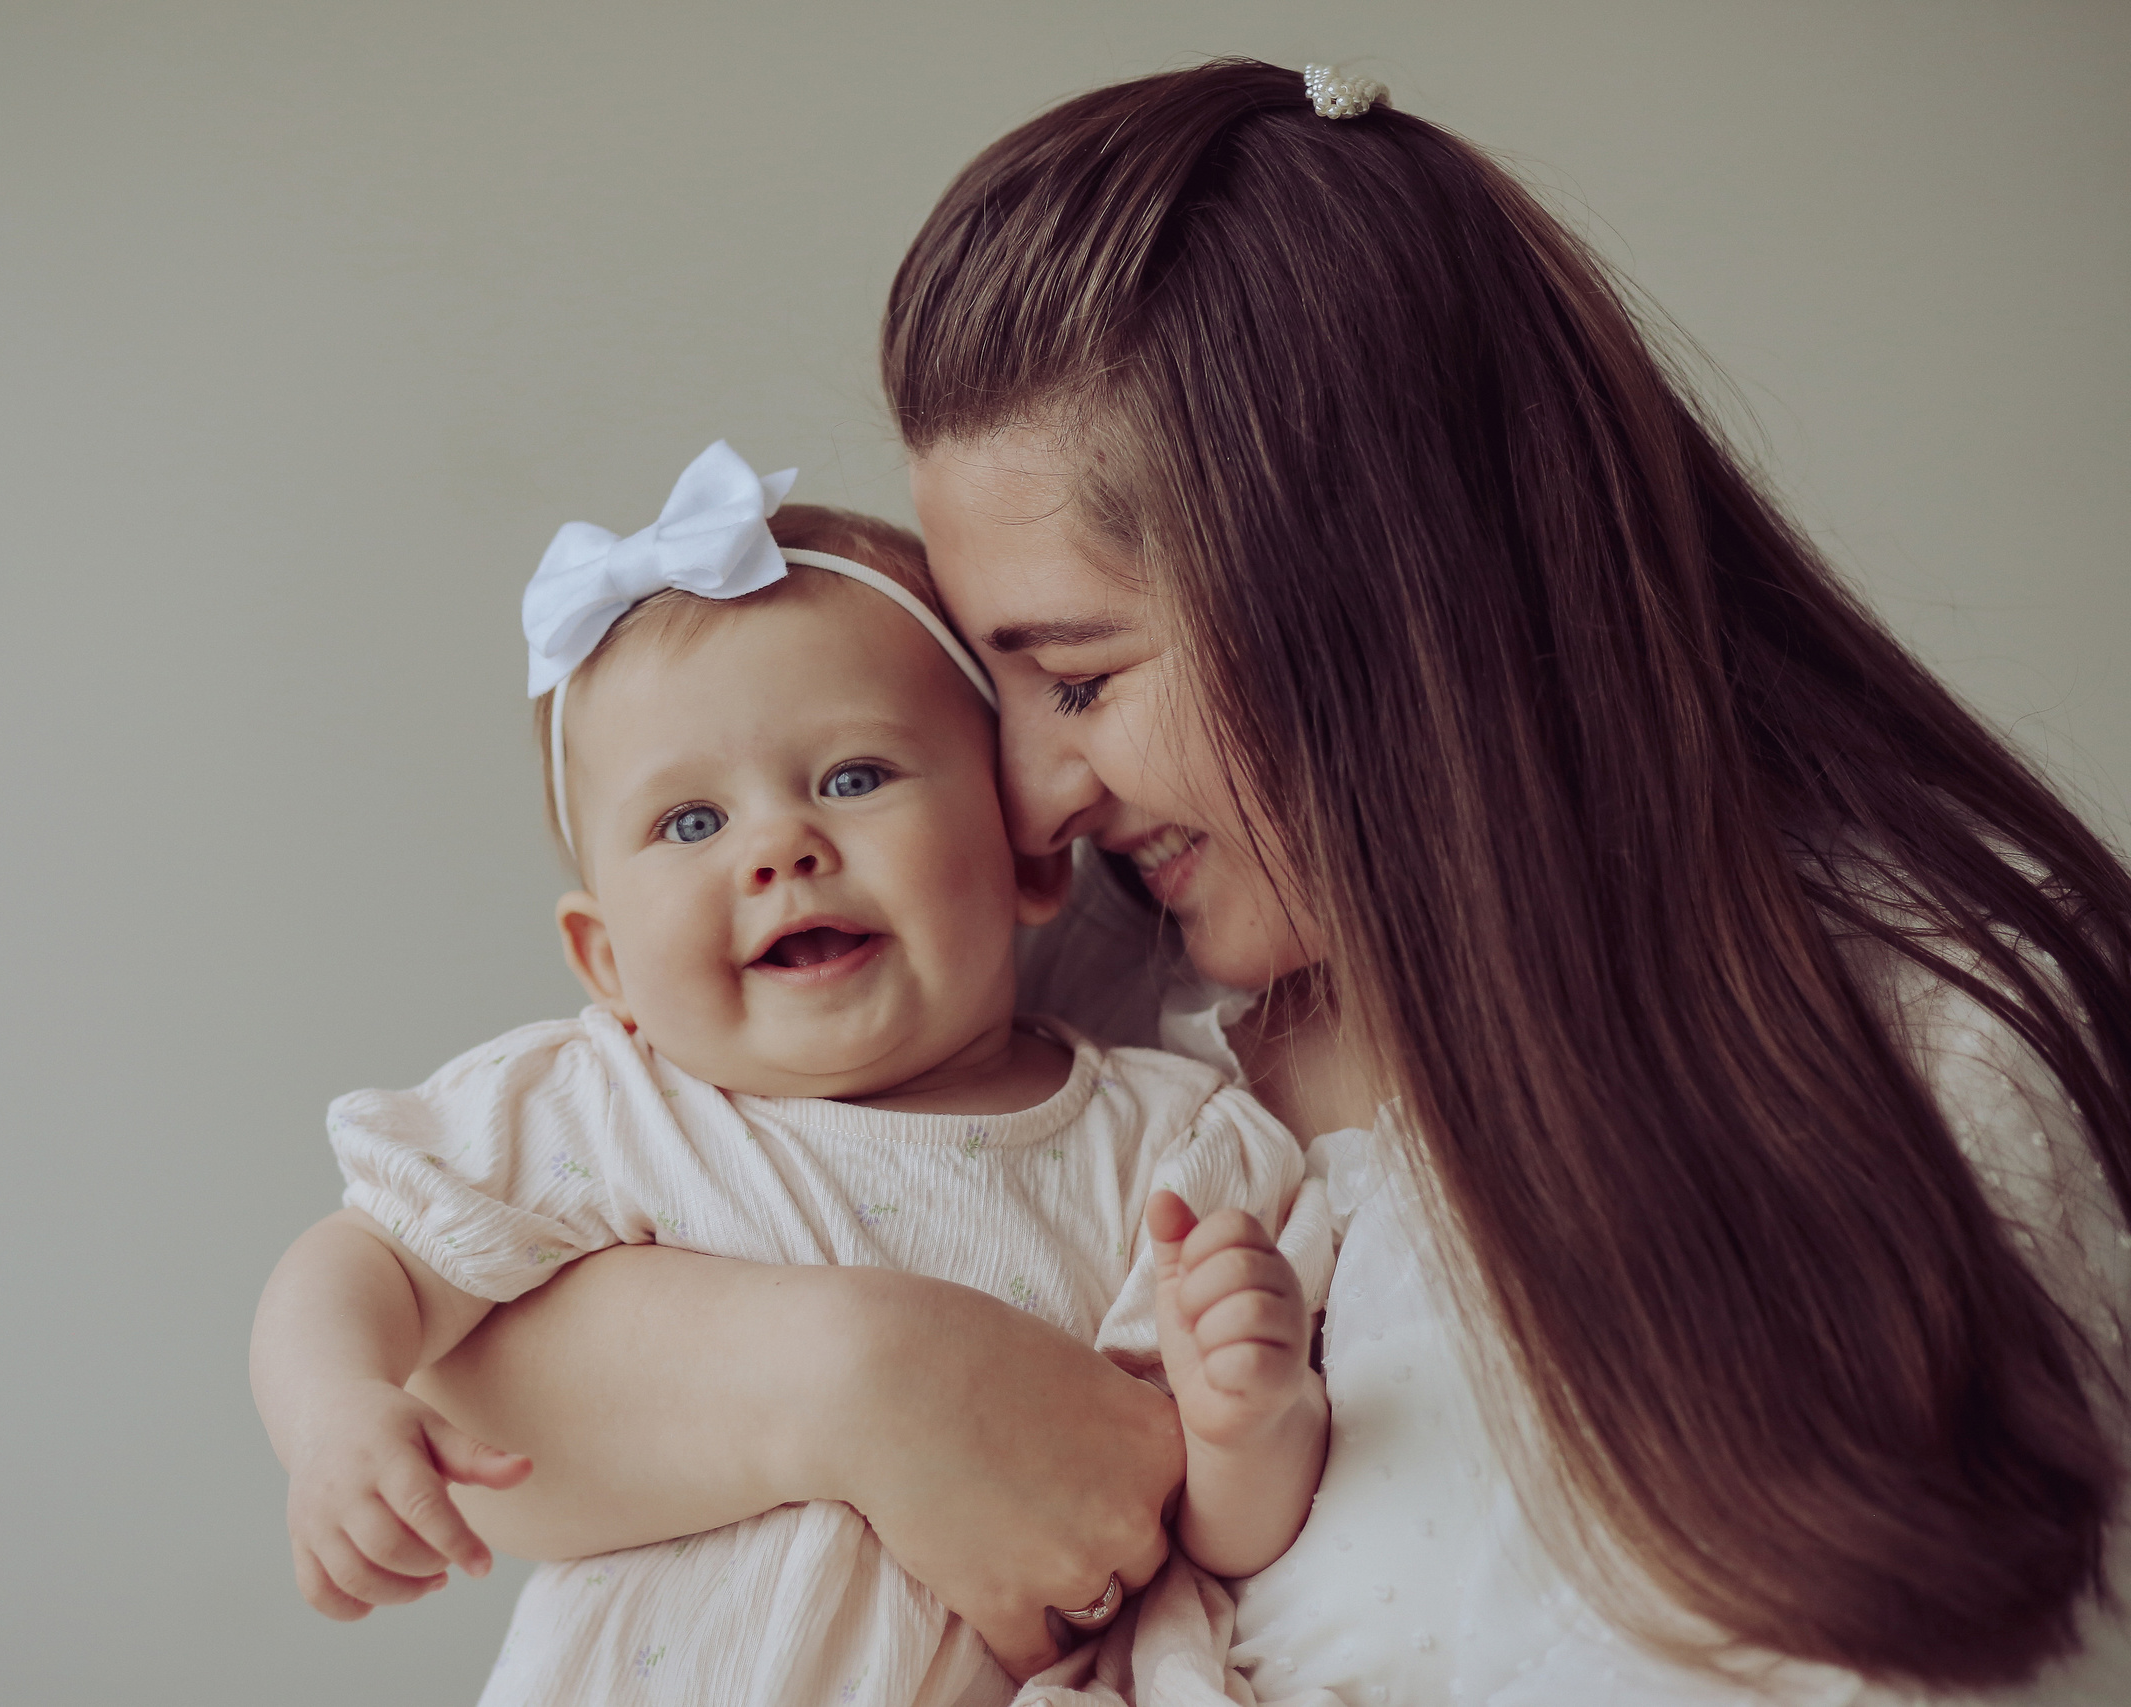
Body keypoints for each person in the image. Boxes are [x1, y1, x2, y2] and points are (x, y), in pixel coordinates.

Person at [395, 60, 2131, 1703]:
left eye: (1078, 680)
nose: (1032, 795)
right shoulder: (1102, 981)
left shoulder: (1924, 1063)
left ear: (1381, 612)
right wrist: (862, 1381)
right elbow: (466, 1394)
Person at [248, 443, 1333, 1707]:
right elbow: (361, 1258)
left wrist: (1251, 1425)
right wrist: (335, 1413)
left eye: (853, 777)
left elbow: (1198, 1540)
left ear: (1029, 861)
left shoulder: (1170, 1142)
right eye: (690, 824)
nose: (780, 848)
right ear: (604, 959)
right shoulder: (602, 1107)